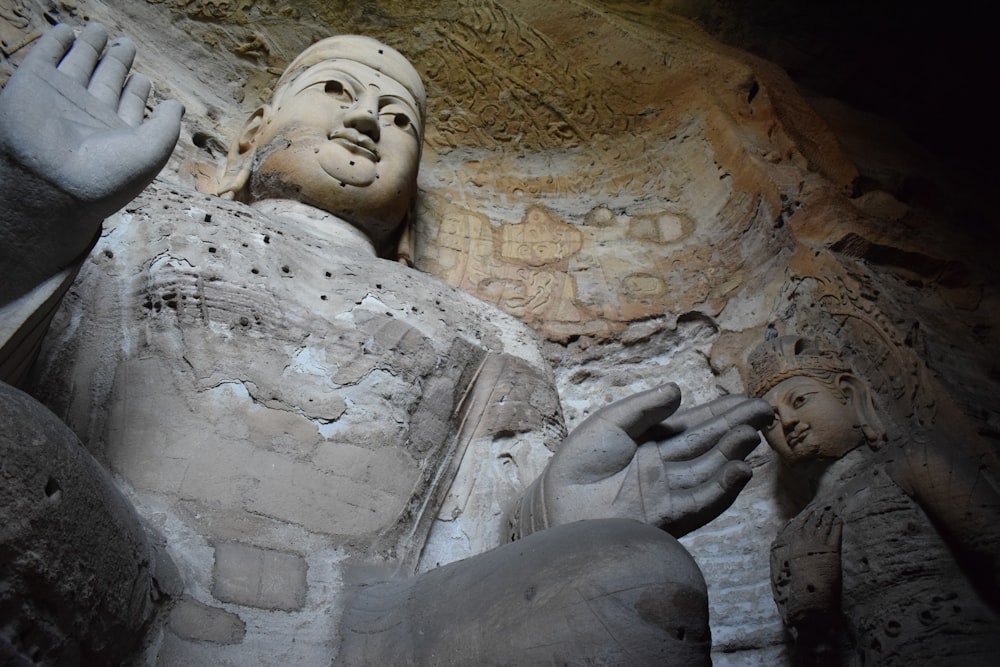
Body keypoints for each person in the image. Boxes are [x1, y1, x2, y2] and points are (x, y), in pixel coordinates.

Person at [1, 24, 773, 664]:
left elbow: (482, 549)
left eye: (398, 118)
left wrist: (561, 513)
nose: (367, 121)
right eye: (335, 91)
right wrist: (29, 212)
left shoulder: (484, 328)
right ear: (251, 137)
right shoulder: (143, 221)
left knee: (635, 578)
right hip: (115, 560)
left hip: (382, 619)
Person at [746, 335, 1000, 666]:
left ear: (850, 394)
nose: (789, 423)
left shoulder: (913, 460)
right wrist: (811, 598)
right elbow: (816, 655)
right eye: (772, 421)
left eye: (799, 401)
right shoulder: (792, 539)